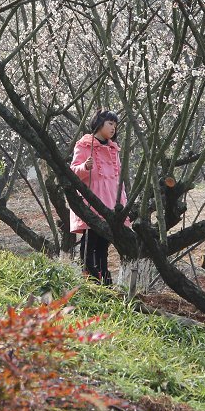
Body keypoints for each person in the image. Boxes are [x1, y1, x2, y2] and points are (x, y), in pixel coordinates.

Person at [70, 109, 127, 284]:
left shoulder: (113, 149)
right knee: (89, 242)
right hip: (91, 201)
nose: (113, 128)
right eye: (110, 123)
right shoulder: (85, 145)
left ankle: (105, 280)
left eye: (115, 125)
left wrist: (122, 202)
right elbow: (73, 171)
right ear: (99, 123)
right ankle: (89, 278)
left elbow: (118, 180)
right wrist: (85, 167)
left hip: (110, 203)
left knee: (103, 245)